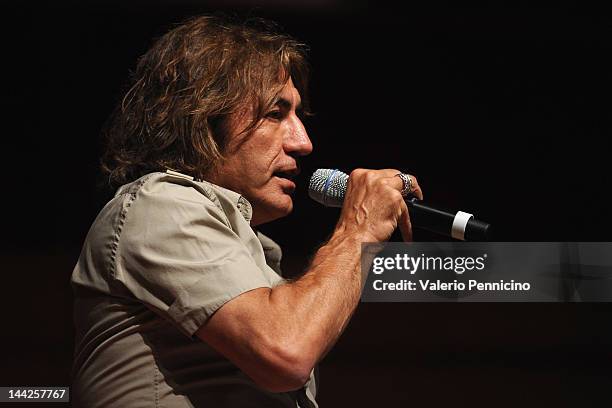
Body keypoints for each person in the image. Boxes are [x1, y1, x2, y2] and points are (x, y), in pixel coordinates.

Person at [71, 15, 423, 408]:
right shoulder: (160, 206)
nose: (303, 142)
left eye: (299, 117)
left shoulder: (255, 251)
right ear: (202, 118)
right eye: (276, 114)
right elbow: (286, 351)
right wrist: (357, 229)